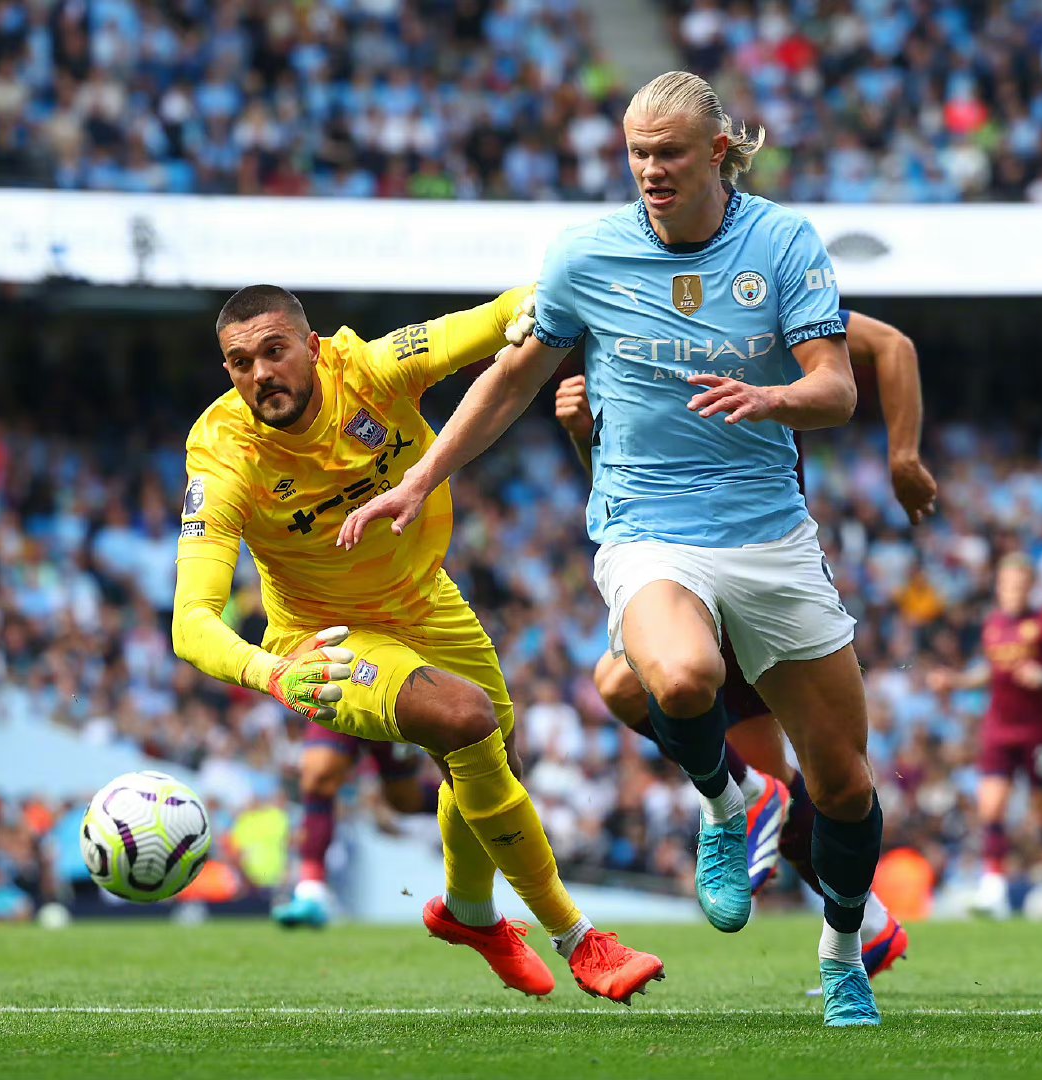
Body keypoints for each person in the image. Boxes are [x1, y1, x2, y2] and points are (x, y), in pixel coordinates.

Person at [341, 71, 887, 1026]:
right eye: (636, 154)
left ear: (718, 152)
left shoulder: (783, 243)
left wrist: (772, 397)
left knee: (842, 786)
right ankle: (724, 807)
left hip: (769, 533)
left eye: (668, 153)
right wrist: (423, 477)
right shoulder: (586, 256)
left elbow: (838, 390)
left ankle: (843, 952)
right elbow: (513, 378)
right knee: (675, 680)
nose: (650, 171)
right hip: (648, 529)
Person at [172, 283, 663, 1003]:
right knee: (465, 720)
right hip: (327, 641)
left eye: (275, 352)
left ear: (311, 349)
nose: (260, 375)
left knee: (499, 757)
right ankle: (577, 937)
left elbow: (492, 321)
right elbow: (191, 623)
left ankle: (468, 913)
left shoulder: (369, 369)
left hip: (425, 599)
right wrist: (272, 672)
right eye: (240, 362)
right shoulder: (223, 456)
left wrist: (544, 298)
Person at [553, 305, 933, 980]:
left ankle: (853, 915)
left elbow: (893, 345)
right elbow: (620, 491)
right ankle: (863, 922)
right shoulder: (634, 335)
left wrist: (902, 455)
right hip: (681, 566)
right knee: (649, 704)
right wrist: (585, 435)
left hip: (759, 563)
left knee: (809, 782)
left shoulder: (772, 307)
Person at [928, 553, 1042, 918]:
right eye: (1006, 585)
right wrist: (956, 681)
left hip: (1039, 730)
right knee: (991, 806)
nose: (1012, 592)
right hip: (999, 728)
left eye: (1019, 585)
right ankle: (994, 888)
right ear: (999, 587)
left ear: (1031, 586)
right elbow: (992, 671)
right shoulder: (994, 624)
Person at [271, 730, 436, 928]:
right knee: (318, 775)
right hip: (339, 702)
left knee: (405, 801)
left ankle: (470, 803)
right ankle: (311, 892)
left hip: (389, 707)